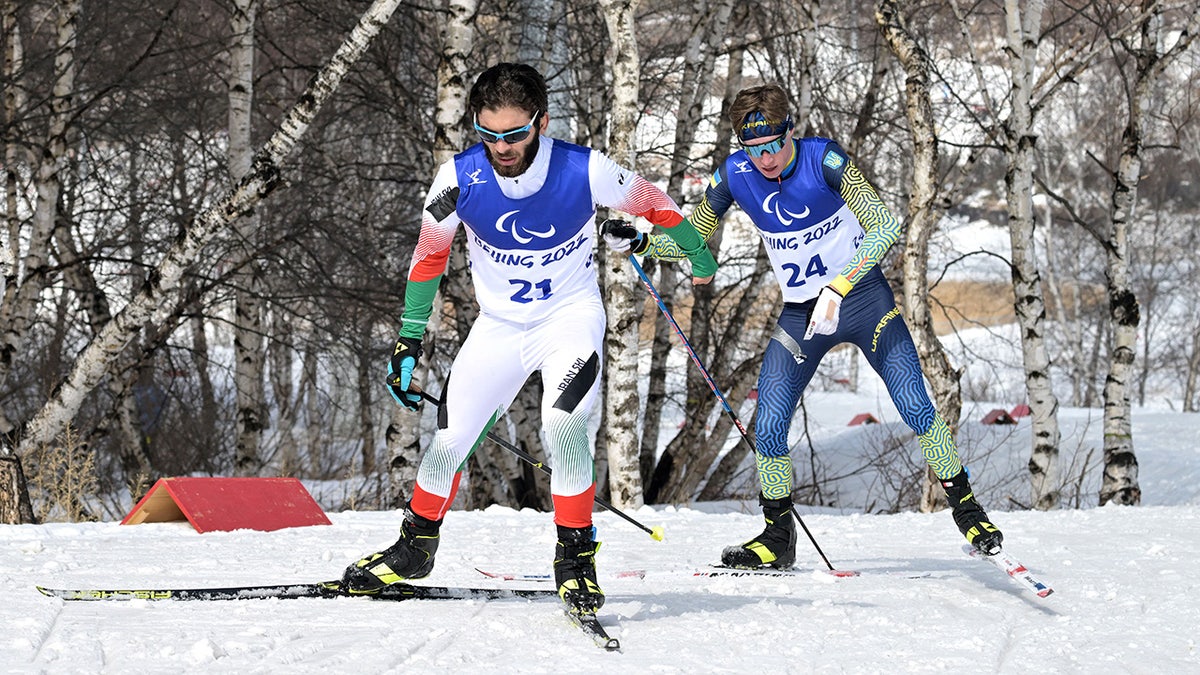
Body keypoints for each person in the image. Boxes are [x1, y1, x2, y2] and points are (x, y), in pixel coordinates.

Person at [340, 63, 718, 613]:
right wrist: (408, 341)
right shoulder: (457, 179)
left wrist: (699, 257)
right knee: (449, 439)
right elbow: (428, 260)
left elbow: (657, 204)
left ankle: (576, 560)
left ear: (540, 122)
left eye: (514, 133)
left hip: (568, 320)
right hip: (499, 326)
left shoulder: (584, 169)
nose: (501, 147)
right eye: (488, 133)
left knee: (563, 425)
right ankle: (415, 548)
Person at [601, 84, 1003, 569]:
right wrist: (642, 243)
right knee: (768, 424)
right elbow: (695, 241)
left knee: (914, 404)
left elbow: (884, 225)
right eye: (755, 149)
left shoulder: (823, 159)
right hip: (801, 316)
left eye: (774, 144)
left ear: (790, 130)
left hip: (864, 301)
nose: (767, 159)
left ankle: (969, 512)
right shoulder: (735, 175)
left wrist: (839, 286)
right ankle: (778, 537)